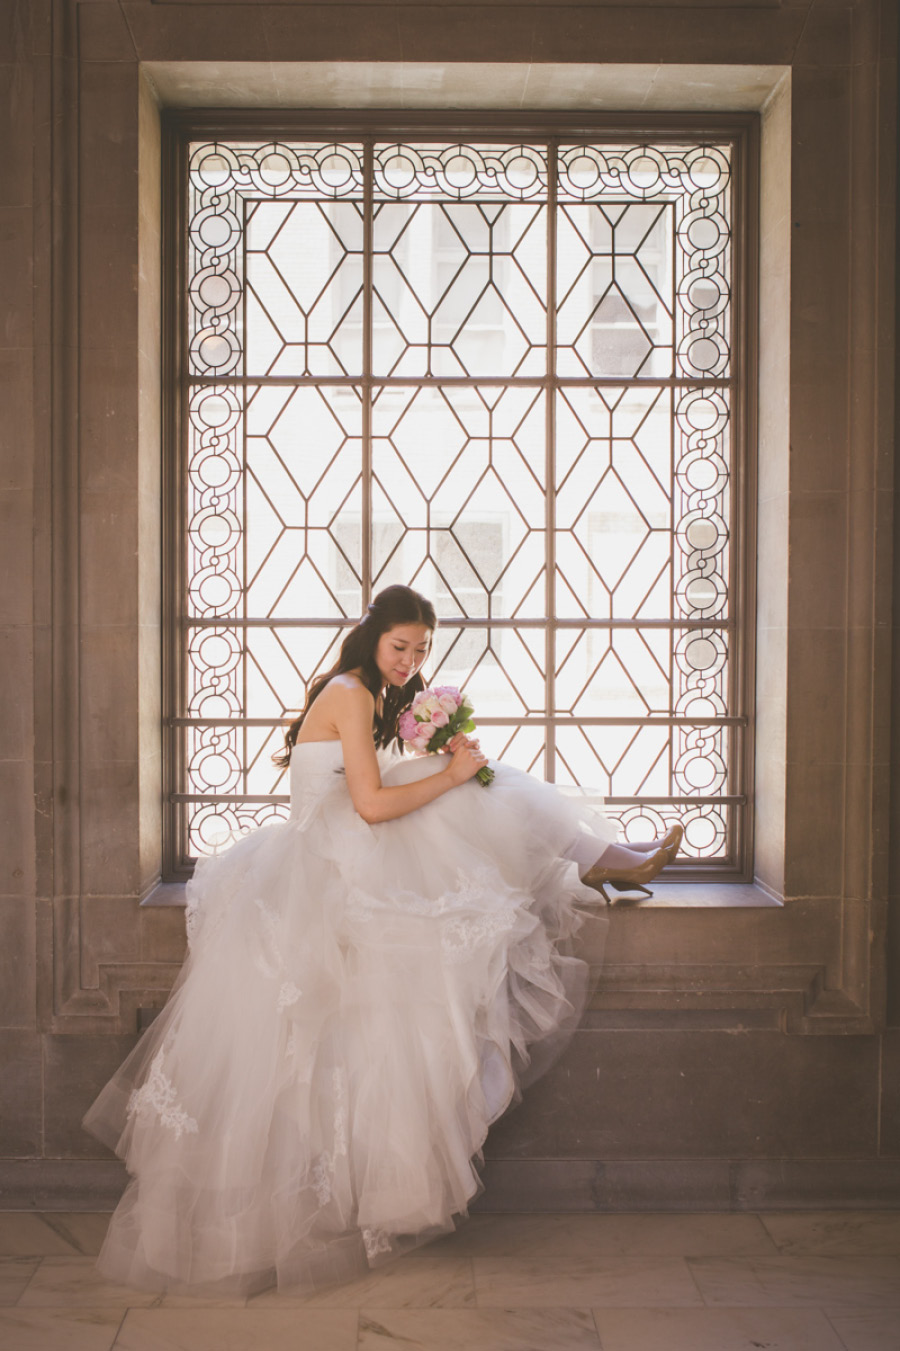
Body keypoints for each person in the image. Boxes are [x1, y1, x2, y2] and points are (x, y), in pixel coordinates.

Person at [82, 584, 682, 1296]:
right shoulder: (348, 691)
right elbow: (367, 806)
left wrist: (444, 752)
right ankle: (599, 859)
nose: (411, 660)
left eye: (422, 648)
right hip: (328, 854)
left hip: (342, 841)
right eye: (400, 646)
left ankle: (598, 857)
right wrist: (453, 770)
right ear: (370, 637)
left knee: (478, 788)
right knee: (468, 794)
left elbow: (377, 786)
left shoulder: (379, 691)